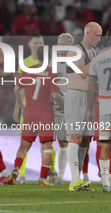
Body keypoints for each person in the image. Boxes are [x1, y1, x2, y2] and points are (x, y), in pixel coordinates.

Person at [8, 46, 64, 186]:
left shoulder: (27, 70)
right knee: (46, 146)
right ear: (49, 57)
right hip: (45, 112)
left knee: (24, 146)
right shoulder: (51, 73)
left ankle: (15, 170)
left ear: (37, 56)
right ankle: (43, 179)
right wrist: (64, 108)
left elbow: (16, 90)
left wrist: (22, 107)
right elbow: (55, 95)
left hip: (29, 112)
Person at [65, 22, 102, 191]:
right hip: (75, 96)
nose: (99, 39)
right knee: (76, 137)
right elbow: (81, 73)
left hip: (88, 99)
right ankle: (74, 180)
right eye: (97, 35)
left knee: (86, 139)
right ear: (88, 33)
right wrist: (97, 59)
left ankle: (78, 178)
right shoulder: (76, 50)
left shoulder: (93, 51)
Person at [87, 27, 111, 192]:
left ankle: (106, 182)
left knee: (104, 144)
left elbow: (91, 87)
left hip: (104, 105)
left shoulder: (97, 60)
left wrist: (89, 108)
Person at [54, 33, 74, 185]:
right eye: (59, 44)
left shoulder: (74, 64)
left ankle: (60, 175)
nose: (60, 48)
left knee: (64, 142)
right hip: (48, 107)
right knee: (45, 142)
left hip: (66, 109)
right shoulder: (49, 63)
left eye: (63, 45)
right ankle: (48, 172)